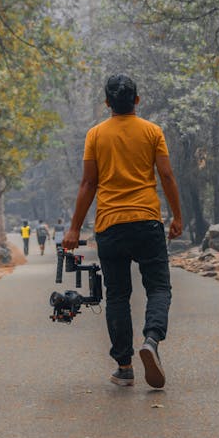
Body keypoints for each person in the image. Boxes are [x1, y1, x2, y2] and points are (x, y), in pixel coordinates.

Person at [63, 73, 183, 390]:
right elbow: (167, 176)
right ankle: (152, 340)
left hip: (110, 226)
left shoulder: (95, 135)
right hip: (146, 221)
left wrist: (74, 228)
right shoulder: (152, 132)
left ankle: (125, 366)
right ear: (137, 101)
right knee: (159, 288)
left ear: (107, 103)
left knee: (118, 295)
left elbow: (89, 183)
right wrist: (177, 217)